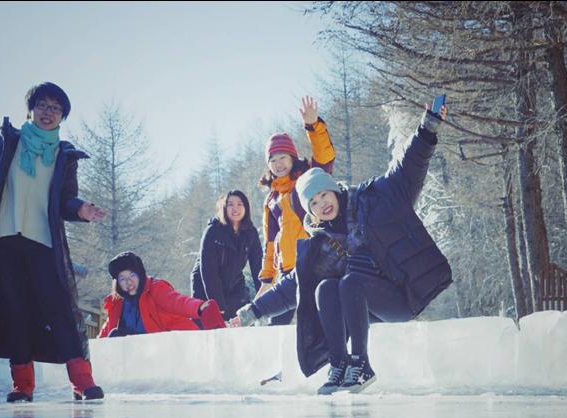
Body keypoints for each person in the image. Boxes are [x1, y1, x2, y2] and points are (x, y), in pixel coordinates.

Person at [232, 103, 451, 395]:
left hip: (401, 295)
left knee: (350, 283)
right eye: (314, 203)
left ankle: (362, 364)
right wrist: (253, 311)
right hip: (365, 303)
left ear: (334, 190)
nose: (322, 203)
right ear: (311, 213)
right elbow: (293, 285)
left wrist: (428, 128)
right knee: (324, 289)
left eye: (324, 194)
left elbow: (409, 168)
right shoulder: (322, 241)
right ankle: (339, 365)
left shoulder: (374, 199)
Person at [0, 82, 107, 402]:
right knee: (14, 311)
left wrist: (81, 209)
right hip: (3, 240)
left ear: (62, 116)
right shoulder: (7, 143)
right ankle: (22, 385)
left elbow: (65, 200)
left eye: (55, 108)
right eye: (42, 105)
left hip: (43, 243)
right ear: (31, 109)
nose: (48, 113)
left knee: (61, 309)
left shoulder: (64, 156)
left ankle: (82, 381)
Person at [256, 96, 336, 325]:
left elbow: (325, 158)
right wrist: (267, 278)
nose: (278, 164)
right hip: (286, 270)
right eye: (273, 160)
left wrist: (313, 126)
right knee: (276, 327)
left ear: (292, 157)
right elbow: (270, 242)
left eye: (283, 157)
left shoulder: (306, 180)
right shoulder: (271, 198)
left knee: (318, 323)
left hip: (314, 264)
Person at [98, 252, 226, 338]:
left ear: (140, 275)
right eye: (122, 279)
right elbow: (105, 334)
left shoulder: (155, 288)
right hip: (139, 355)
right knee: (115, 334)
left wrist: (199, 307)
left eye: (132, 276)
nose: (128, 282)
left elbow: (177, 301)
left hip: (171, 345)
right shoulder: (117, 303)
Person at [191, 190, 263, 321]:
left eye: (240, 204)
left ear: (246, 207)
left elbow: (258, 267)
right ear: (224, 208)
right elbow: (209, 273)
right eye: (230, 204)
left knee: (241, 324)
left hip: (235, 285)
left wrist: (264, 298)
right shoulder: (212, 232)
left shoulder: (250, 232)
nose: (235, 208)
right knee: (215, 327)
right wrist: (218, 307)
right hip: (206, 288)